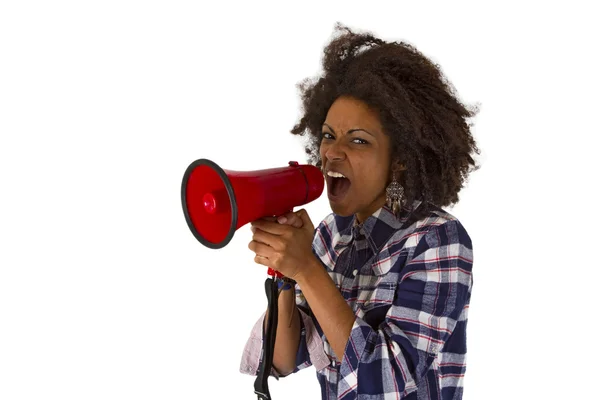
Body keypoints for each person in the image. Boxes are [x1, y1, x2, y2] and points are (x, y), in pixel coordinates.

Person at [240, 23, 480, 400]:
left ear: (399, 160)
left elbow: (387, 380)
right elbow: (283, 361)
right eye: (328, 134)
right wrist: (286, 274)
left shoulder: (437, 239)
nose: (332, 152)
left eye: (358, 140)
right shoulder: (327, 236)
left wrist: (306, 268)